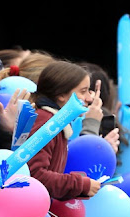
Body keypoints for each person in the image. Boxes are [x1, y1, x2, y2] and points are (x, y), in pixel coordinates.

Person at [27, 60, 100, 201]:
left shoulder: (56, 122)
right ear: (61, 95)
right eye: (83, 91)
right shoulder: (46, 121)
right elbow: (35, 175)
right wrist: (81, 184)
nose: (89, 98)